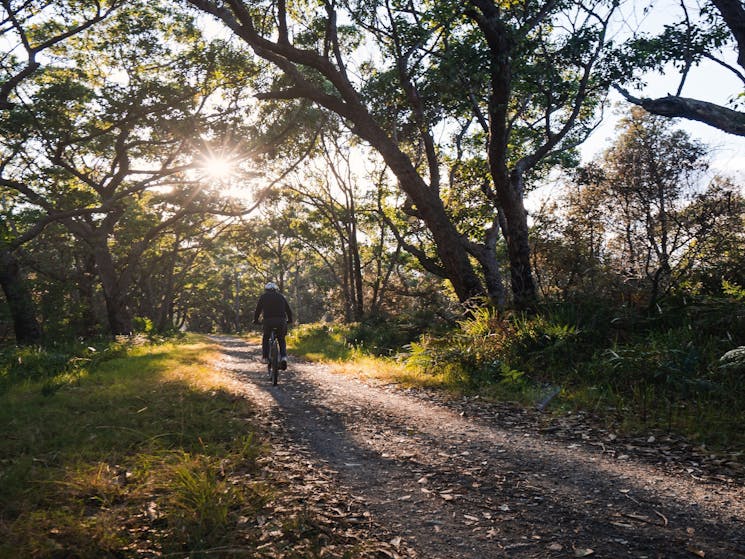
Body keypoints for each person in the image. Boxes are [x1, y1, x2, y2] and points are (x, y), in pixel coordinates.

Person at [253, 282, 293, 368]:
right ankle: (283, 357)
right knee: (281, 338)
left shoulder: (263, 297)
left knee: (266, 337)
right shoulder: (281, 296)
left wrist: (256, 320)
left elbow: (258, 310)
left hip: (268, 321)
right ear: (276, 290)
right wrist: (290, 320)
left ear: (266, 290)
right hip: (281, 321)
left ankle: (265, 357)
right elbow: (288, 310)